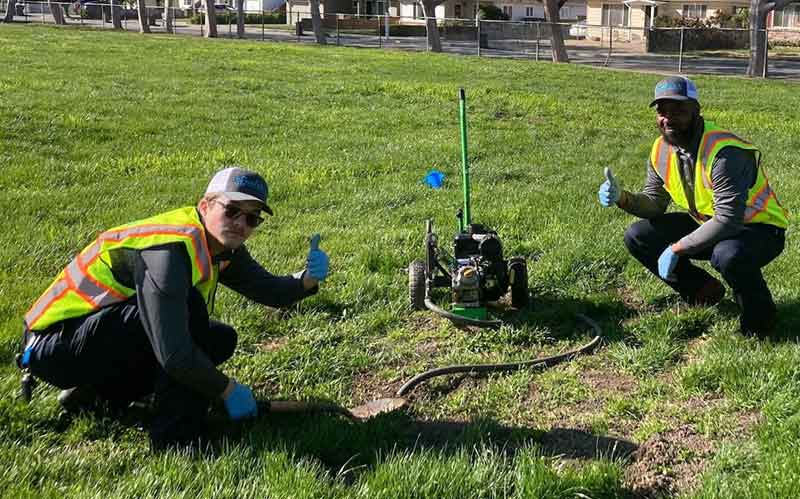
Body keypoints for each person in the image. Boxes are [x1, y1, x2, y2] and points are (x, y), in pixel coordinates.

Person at [17, 166, 330, 447]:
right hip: (53, 346)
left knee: (218, 339)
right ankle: (177, 437)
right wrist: (227, 389)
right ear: (206, 205)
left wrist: (304, 280)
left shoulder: (222, 246)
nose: (240, 223)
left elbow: (268, 289)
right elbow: (174, 354)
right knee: (188, 316)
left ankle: (94, 398)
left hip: (93, 339)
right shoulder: (169, 249)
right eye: (232, 210)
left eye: (251, 218)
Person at [598, 76, 788, 338]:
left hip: (758, 230)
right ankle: (702, 291)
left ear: (696, 111)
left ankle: (760, 323)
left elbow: (729, 220)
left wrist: (677, 248)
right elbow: (654, 204)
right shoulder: (661, 148)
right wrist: (623, 198)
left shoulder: (725, 153)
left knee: (728, 255)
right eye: (662, 111)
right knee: (638, 236)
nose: (668, 118)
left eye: (679, 110)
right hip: (708, 223)